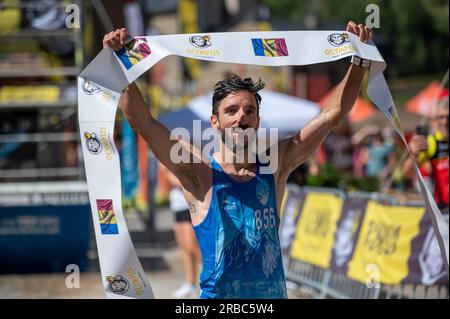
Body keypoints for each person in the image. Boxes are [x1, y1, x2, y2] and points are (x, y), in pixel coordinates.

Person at [103, 21, 373, 299]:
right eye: (231, 110)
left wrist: (359, 60)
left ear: (257, 121)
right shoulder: (199, 174)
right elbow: (143, 123)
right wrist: (122, 64)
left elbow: (332, 115)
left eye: (249, 111)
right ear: (216, 122)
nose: (241, 116)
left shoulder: (275, 166)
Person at [164, 166, 201, 298]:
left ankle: (205, 282)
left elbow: (187, 182)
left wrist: (173, 179)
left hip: (189, 205)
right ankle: (190, 283)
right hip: (177, 205)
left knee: (193, 248)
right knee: (184, 248)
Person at [404, 97, 449, 206]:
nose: (445, 122)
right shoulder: (432, 142)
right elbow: (408, 173)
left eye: (448, 117)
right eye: (441, 117)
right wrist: (414, 155)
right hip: (444, 209)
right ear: (435, 120)